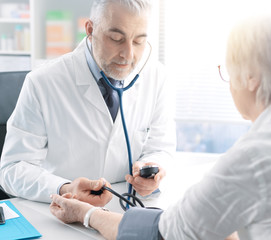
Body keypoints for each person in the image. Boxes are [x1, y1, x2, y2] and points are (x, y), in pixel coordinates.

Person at [50, 9, 271, 239]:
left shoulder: (255, 156)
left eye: (228, 71)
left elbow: (164, 233)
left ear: (250, 77)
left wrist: (87, 214)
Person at [0, 0, 176, 205]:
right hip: (62, 211)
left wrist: (152, 170)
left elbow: (162, 148)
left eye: (138, 42)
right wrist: (65, 188)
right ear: (90, 30)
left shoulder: (157, 77)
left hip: (129, 207)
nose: (128, 54)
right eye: (116, 38)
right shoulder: (43, 82)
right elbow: (12, 169)